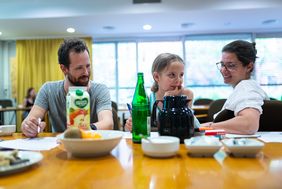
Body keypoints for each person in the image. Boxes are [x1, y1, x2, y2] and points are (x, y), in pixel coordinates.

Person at [21, 38, 113, 137]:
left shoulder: (100, 90)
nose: (86, 72)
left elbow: (108, 123)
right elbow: (29, 120)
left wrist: (84, 130)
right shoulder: (48, 90)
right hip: (59, 147)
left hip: (92, 146)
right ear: (64, 68)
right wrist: (29, 127)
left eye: (87, 66)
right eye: (79, 68)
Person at [201, 40, 268, 134]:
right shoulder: (244, 87)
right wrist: (201, 126)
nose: (223, 70)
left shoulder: (246, 88)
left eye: (231, 65)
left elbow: (249, 124)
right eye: (222, 65)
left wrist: (208, 127)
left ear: (249, 67)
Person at [125, 53, 200, 131]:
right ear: (157, 77)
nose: (179, 80)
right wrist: (130, 125)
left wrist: (177, 102)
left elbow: (190, 126)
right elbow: (131, 129)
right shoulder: (147, 100)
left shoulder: (186, 95)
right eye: (172, 75)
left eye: (181, 75)